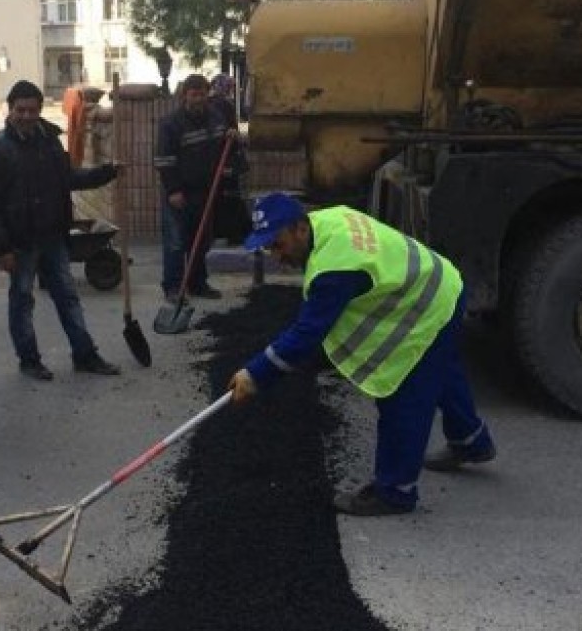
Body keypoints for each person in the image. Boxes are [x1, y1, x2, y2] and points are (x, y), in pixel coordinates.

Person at [227, 192, 497, 516]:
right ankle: (471, 441)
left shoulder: (335, 267)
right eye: (268, 247)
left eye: (277, 244)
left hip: (428, 302)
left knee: (405, 393)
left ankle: (394, 492)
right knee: (441, 368)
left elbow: (307, 334)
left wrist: (255, 374)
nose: (275, 255)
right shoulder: (328, 219)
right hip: (439, 281)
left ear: (300, 228)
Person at [0, 79, 122, 381]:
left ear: (41, 110)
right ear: (10, 109)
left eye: (32, 110)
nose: (27, 116)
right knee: (22, 301)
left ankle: (85, 355)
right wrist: (2, 248)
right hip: (20, 241)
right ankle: (29, 360)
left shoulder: (50, 142)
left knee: (68, 297)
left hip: (53, 236)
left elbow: (68, 178)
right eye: (21, 110)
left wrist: (106, 173)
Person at [154, 73, 241, 302]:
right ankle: (173, 288)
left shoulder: (216, 118)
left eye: (202, 94)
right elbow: (164, 160)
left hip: (206, 191)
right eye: (194, 95)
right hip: (180, 193)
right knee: (175, 243)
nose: (199, 99)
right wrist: (173, 190)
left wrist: (232, 136)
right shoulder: (171, 124)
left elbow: (227, 147)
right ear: (185, 96)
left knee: (200, 240)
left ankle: (197, 284)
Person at [207, 73, 250, 246]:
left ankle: (227, 232)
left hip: (220, 159)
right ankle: (235, 232)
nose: (232, 91)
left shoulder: (213, 104)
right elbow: (226, 132)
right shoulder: (222, 105)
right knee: (229, 197)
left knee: (224, 197)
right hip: (224, 159)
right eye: (230, 87)